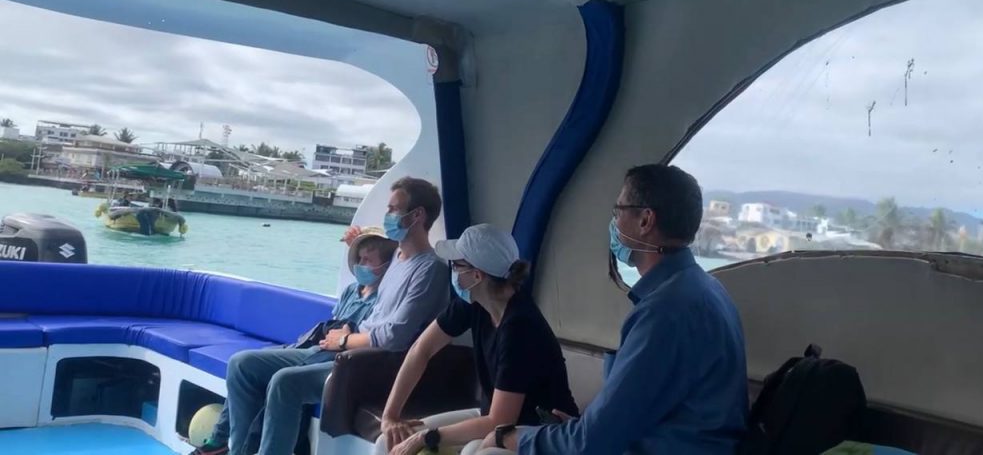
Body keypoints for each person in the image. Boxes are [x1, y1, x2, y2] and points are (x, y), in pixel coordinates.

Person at [483, 165, 748, 455]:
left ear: (645, 220)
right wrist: (577, 429)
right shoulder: (703, 288)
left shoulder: (666, 312)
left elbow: (592, 443)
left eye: (618, 211)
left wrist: (515, 438)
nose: (614, 222)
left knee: (486, 450)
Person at [224, 177, 451, 455]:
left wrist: (345, 341)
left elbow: (394, 335)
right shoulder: (397, 258)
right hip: (344, 352)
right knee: (242, 364)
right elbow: (371, 267)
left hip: (374, 364)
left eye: (393, 210)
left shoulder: (431, 270)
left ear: (417, 215)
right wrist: (355, 244)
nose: (388, 216)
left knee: (286, 383)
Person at [190, 228, 397, 455]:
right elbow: (334, 327)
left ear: (386, 267)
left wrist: (345, 339)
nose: (360, 264)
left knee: (280, 380)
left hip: (337, 358)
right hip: (316, 347)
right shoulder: (351, 290)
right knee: (241, 364)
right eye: (359, 258)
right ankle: (235, 449)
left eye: (368, 260)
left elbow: (370, 338)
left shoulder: (386, 298)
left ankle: (232, 445)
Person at [379, 224, 578, 455]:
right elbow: (421, 350)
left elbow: (499, 422)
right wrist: (390, 416)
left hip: (540, 431)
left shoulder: (520, 328)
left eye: (456, 265)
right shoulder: (474, 303)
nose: (452, 271)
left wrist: (427, 436)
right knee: (389, 440)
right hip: (492, 419)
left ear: (476, 275)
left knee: (476, 452)